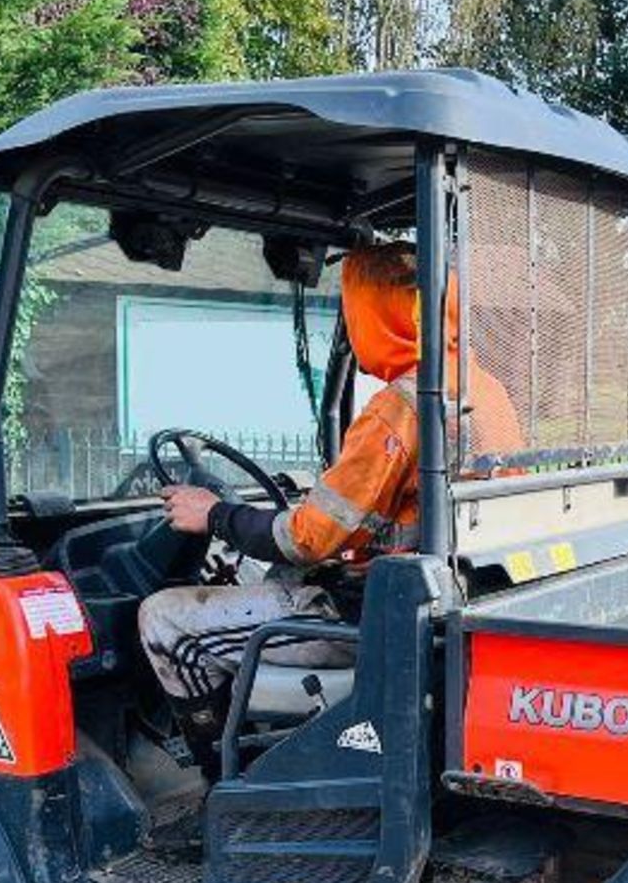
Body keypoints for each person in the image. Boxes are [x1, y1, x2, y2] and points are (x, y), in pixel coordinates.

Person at [138, 241, 518, 756]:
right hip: (440, 603)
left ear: (376, 312)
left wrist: (215, 514)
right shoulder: (483, 389)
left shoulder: (400, 406)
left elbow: (308, 539)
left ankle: (222, 771)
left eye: (352, 309)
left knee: (162, 617)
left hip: (364, 620)